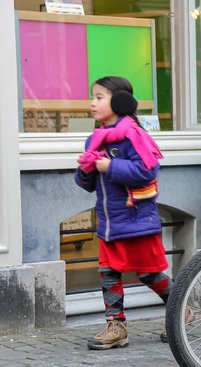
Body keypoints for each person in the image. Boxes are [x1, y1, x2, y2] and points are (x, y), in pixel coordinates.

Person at [76, 76, 187, 350]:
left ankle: (181, 309)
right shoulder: (95, 138)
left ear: (120, 101)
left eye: (100, 97)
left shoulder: (134, 135)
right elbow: (87, 183)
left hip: (136, 222)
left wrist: (108, 166)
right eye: (93, 96)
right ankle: (117, 326)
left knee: (149, 274)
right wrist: (86, 167)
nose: (93, 102)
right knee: (108, 272)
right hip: (110, 223)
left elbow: (146, 171)